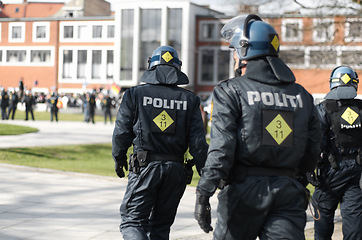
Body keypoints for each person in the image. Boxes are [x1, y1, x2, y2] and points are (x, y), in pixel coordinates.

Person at [194, 14, 322, 240]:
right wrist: (299, 179)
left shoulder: (230, 91)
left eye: (234, 50)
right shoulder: (303, 96)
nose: (233, 56)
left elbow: (221, 149)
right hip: (288, 191)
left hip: (244, 192)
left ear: (245, 51)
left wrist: (204, 192)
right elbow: (313, 147)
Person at [112, 45, 208, 240]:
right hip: (175, 170)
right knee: (161, 227)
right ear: (177, 69)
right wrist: (206, 173)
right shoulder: (189, 100)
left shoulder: (134, 95)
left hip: (144, 167)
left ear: (151, 66)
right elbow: (198, 143)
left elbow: (122, 132)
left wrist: (119, 157)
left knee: (132, 221)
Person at [313, 66, 362, 240]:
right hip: (356, 174)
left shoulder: (323, 109)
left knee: (322, 216)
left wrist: (308, 170)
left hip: (329, 173)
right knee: (354, 222)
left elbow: (315, 144)